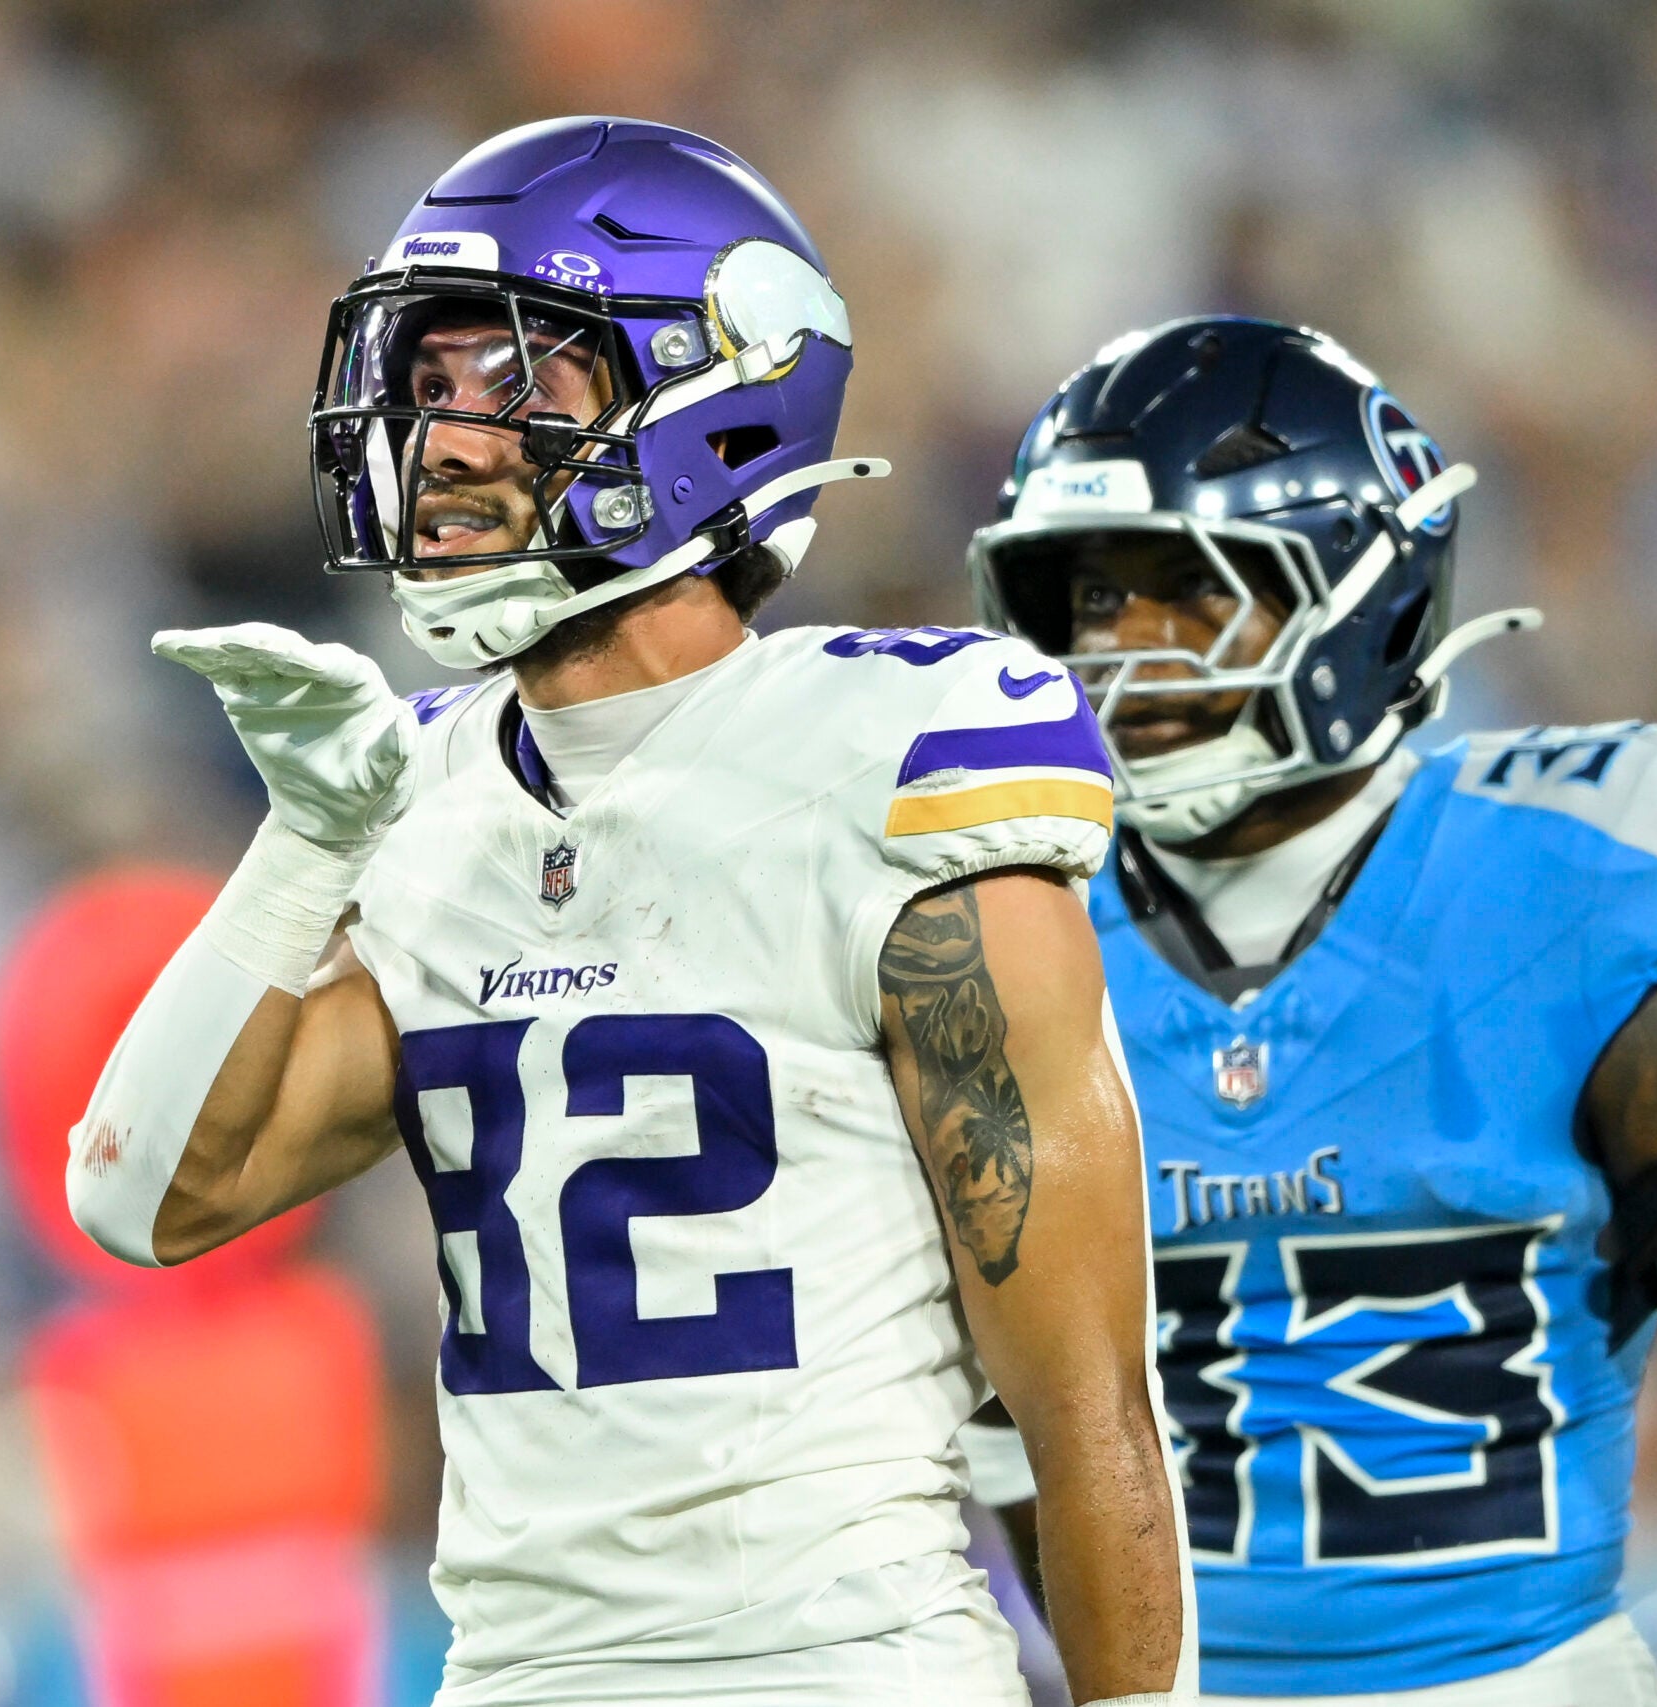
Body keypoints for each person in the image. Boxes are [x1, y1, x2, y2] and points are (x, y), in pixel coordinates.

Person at [61, 118, 1196, 1707]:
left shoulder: (887, 763)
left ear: (714, 401)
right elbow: (142, 1200)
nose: (444, 442)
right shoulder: (435, 793)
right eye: (428, 384)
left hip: (838, 1667)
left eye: (518, 381)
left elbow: (1086, 1411)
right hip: (522, 1671)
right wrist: (306, 840)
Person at [957, 314, 1657, 1706]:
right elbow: (970, 1414)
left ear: (1362, 591)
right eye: (1093, 600)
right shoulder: (1009, 924)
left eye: (1188, 589)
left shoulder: (1552, 881)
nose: (1128, 653)